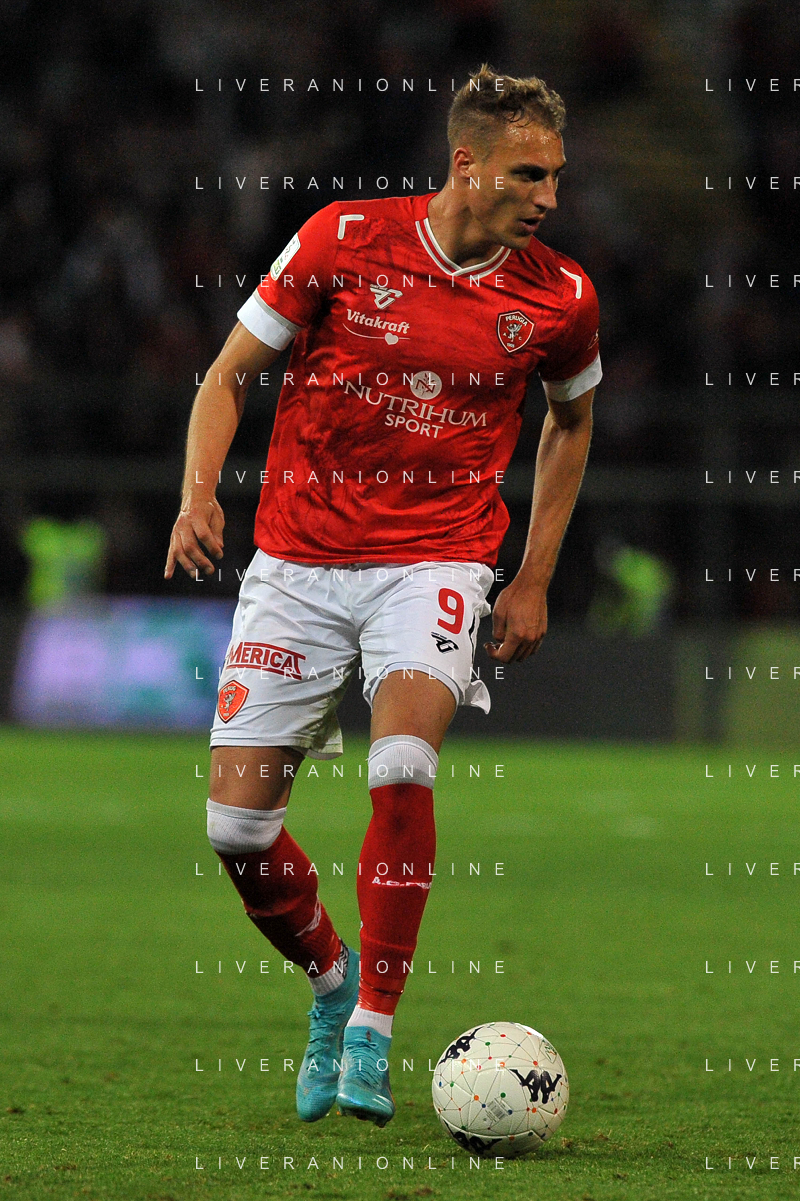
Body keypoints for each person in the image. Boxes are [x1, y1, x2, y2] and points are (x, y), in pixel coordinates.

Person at [164, 65, 600, 1128]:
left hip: (435, 559)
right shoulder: (342, 240)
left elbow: (570, 421)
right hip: (297, 559)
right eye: (528, 174)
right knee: (236, 829)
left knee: (402, 764)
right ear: (466, 163)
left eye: (555, 175)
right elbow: (225, 373)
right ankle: (330, 980)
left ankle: (372, 1026)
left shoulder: (559, 296)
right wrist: (196, 495)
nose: (547, 196)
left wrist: (533, 574)